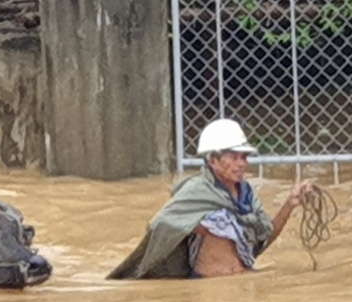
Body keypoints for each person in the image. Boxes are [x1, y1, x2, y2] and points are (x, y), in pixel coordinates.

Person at [108, 119, 317, 279]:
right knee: (219, 221)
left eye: (244, 157)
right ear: (214, 161)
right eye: (234, 157)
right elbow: (161, 224)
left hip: (242, 278)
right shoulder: (196, 191)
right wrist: (202, 227)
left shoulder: (246, 194)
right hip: (208, 286)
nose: (242, 164)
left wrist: (290, 204)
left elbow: (261, 240)